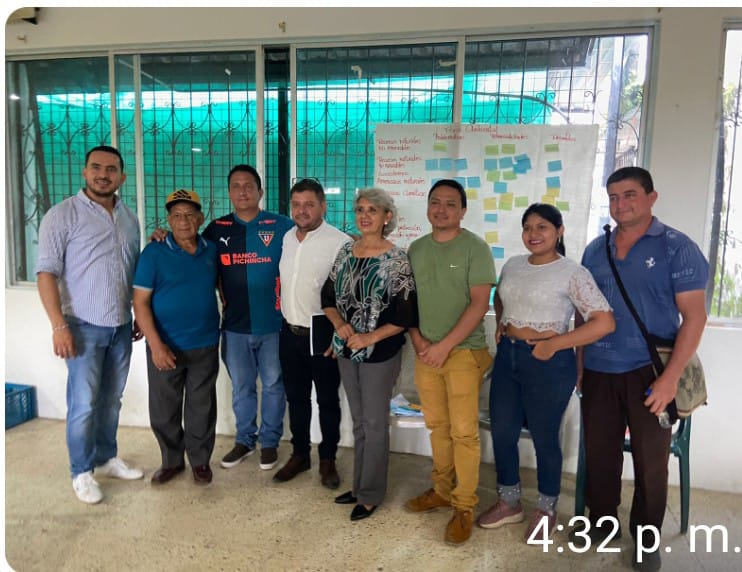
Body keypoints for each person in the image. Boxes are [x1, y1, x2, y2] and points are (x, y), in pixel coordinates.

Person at [579, 167, 709, 572]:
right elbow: (584, 313)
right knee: (600, 453)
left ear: (652, 198)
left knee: (651, 463)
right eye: (613, 197)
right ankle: (602, 522)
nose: (620, 204)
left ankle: (646, 540)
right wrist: (580, 365)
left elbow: (695, 317)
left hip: (650, 371)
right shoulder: (594, 250)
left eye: (630, 194)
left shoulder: (677, 248)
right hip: (599, 368)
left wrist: (670, 379)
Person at [476, 203, 614, 541]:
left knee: (544, 438)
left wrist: (555, 344)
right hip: (508, 357)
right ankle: (509, 501)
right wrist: (503, 322)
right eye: (527, 227)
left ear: (559, 231)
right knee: (503, 432)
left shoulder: (572, 272)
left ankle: (547, 508)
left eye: (542, 227)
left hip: (548, 362)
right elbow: (501, 296)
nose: (533, 234)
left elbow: (604, 322)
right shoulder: (513, 265)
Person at [35, 145, 144, 504]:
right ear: (85, 172)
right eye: (96, 167)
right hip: (81, 326)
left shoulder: (129, 218)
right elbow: (46, 273)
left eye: (111, 169)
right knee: (83, 403)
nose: (103, 175)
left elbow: (132, 272)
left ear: (121, 177)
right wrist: (58, 326)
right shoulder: (62, 215)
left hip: (120, 326)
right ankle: (81, 472)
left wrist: (136, 314)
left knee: (111, 400)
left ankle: (106, 458)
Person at [404, 179, 495, 545]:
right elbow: (407, 302)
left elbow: (480, 303)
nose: (441, 209)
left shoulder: (475, 248)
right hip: (426, 351)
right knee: (437, 427)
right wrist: (419, 341)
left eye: (450, 204)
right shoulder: (415, 249)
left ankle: (464, 505)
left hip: (463, 353)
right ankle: (441, 491)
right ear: (428, 207)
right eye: (435, 202)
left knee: (463, 433)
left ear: (463, 211)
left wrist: (445, 347)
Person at [321, 188, 418, 521]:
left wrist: (369, 337)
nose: (365, 216)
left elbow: (405, 316)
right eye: (360, 209)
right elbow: (327, 297)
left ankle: (371, 494)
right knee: (360, 422)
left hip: (380, 353)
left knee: (375, 424)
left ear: (387, 217)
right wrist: (340, 326)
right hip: (348, 351)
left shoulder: (397, 259)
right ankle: (360, 485)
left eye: (372, 210)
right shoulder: (345, 251)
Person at [202, 165, 294, 472]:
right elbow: (191, 253)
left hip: (275, 326)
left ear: (260, 191)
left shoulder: (281, 226)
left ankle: (269, 442)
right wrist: (161, 236)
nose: (243, 191)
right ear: (229, 192)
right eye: (236, 186)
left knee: (273, 385)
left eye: (249, 186)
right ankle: (244, 440)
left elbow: (313, 243)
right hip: (235, 328)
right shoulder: (216, 230)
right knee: (242, 388)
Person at [133, 190, 220, 486]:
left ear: (201, 218)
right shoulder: (153, 253)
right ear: (168, 221)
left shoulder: (210, 250)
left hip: (205, 343)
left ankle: (200, 462)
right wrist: (156, 345)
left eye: (190, 215)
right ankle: (171, 461)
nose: (184, 221)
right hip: (165, 345)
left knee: (202, 407)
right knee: (164, 409)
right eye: (177, 216)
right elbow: (140, 302)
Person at [274, 179, 351, 487]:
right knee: (296, 398)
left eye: (309, 204)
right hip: (289, 331)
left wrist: (339, 334)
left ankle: (328, 459)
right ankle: (300, 454)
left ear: (323, 206)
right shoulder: (287, 238)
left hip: (323, 335)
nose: (301, 210)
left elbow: (350, 295)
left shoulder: (340, 242)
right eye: (296, 204)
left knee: (328, 400)